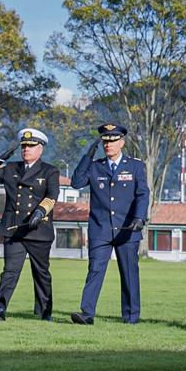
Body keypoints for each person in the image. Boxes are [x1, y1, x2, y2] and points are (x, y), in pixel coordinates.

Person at [69, 123, 149, 325]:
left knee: (129, 273)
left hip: (127, 229)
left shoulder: (135, 166)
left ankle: (131, 316)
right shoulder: (95, 166)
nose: (108, 144)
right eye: (105, 141)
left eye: (112, 141)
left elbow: (142, 194)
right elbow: (76, 183)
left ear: (121, 142)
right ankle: (86, 314)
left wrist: (140, 218)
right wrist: (87, 156)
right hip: (100, 229)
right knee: (95, 270)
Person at [0, 128, 60, 321]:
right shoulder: (10, 169)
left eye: (31, 146)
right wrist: (0, 158)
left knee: (41, 273)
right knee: (9, 271)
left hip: (37, 229)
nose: (26, 149)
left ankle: (44, 311)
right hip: (14, 229)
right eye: (23, 146)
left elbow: (52, 195)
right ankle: (0, 307)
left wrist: (40, 212)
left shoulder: (50, 171)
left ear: (40, 148)